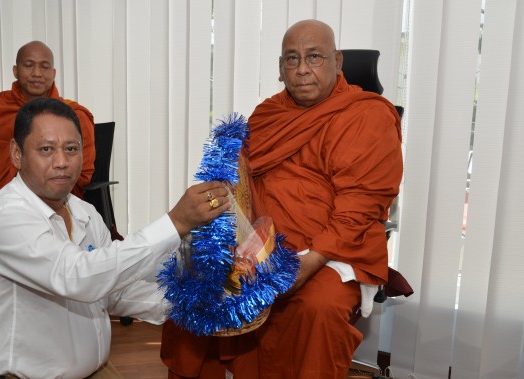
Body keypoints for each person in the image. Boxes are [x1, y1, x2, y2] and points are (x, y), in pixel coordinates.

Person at [160, 19, 404, 378]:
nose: (302, 69)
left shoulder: (368, 115)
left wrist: (308, 264)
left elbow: (361, 205)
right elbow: (240, 183)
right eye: (292, 59)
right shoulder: (269, 114)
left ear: (338, 62)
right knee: (195, 295)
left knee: (316, 308)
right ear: (280, 69)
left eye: (314, 57)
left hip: (331, 251)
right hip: (259, 247)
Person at [0, 97, 231, 379]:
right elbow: (79, 277)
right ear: (17, 154)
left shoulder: (84, 212)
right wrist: (176, 223)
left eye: (71, 149)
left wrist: (194, 302)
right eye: (46, 149)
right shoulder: (5, 217)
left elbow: (112, 290)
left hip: (96, 370)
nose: (61, 162)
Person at [0, 40, 96, 197]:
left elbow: (83, 174)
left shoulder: (74, 115)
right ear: (15, 70)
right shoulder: (0, 108)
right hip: (2, 198)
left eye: (44, 67)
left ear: (53, 74)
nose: (37, 73)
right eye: (28, 65)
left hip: (57, 197)